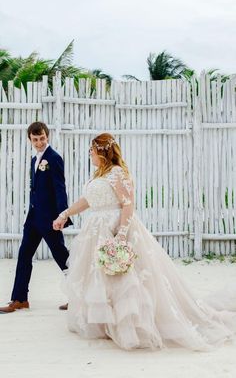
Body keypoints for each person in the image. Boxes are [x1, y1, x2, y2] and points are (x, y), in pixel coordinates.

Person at [53, 133, 236, 351]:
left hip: (115, 228)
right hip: (95, 231)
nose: (90, 154)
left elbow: (128, 204)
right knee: (100, 278)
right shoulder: (98, 174)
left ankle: (129, 325)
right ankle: (104, 323)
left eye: (92, 150)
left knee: (124, 279)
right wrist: (65, 214)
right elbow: (87, 201)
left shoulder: (116, 174)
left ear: (101, 152)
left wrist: (121, 234)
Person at [0, 122, 72, 313]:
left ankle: (80, 297)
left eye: (42, 139)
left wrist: (62, 215)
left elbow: (60, 188)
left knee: (62, 257)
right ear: (30, 139)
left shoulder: (54, 158)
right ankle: (19, 299)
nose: (39, 143)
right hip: (33, 218)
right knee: (24, 255)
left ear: (47, 137)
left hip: (50, 219)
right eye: (35, 139)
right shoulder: (34, 159)